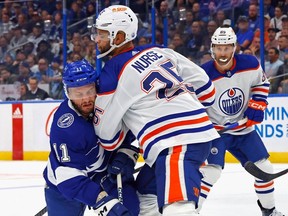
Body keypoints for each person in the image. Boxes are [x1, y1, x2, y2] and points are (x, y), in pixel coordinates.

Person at [91, 5, 220, 216]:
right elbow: (207, 89)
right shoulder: (158, 50)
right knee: (146, 197)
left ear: (120, 36)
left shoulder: (112, 72)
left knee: (179, 208)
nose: (97, 39)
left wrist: (126, 142)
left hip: (175, 142)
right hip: (189, 137)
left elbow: (107, 137)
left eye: (102, 34)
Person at [198, 26, 284, 216]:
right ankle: (190, 211)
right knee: (211, 172)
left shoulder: (250, 64)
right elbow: (194, 105)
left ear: (234, 47)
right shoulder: (202, 75)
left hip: (243, 129)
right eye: (219, 48)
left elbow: (261, 84)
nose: (223, 52)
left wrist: (258, 103)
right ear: (212, 48)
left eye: (227, 48)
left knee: (264, 169)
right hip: (216, 132)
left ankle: (269, 211)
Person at [43, 59, 140, 216]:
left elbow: (127, 133)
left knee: (131, 210)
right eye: (78, 94)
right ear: (68, 93)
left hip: (103, 173)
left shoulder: (109, 104)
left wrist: (125, 154)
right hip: (64, 186)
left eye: (89, 91)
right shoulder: (66, 127)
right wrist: (103, 203)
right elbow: (68, 178)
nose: (86, 99)